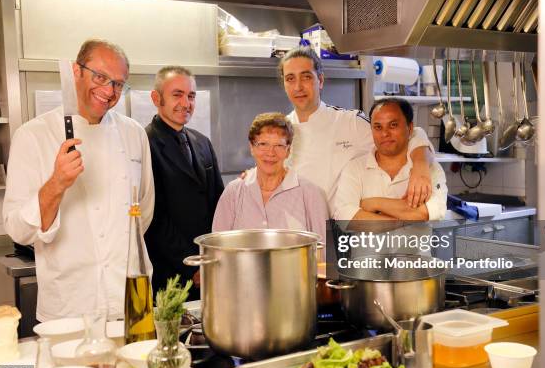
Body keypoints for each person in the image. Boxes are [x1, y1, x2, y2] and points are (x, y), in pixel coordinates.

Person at [3, 39, 154, 321]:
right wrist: (57, 184)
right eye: (100, 77)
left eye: (118, 84)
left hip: (132, 294)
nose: (109, 91)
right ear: (76, 71)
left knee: (139, 365)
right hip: (71, 303)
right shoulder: (33, 135)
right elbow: (18, 229)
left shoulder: (134, 134)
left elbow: (143, 212)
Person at [278, 47, 436, 212]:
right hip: (293, 226)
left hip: (336, 227)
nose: (298, 87)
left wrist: (421, 166)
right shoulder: (280, 129)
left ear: (321, 80)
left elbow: (411, 134)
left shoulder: (350, 122)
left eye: (306, 77)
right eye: (290, 79)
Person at [144, 66, 223, 298]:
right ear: (156, 98)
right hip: (171, 274)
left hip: (211, 268)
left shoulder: (202, 142)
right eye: (177, 94)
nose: (186, 103)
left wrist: (213, 258)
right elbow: (153, 220)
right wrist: (191, 265)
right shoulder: (145, 144)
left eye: (191, 96)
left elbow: (219, 203)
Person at [213, 112, 328, 242]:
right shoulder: (233, 192)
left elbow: (323, 253)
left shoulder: (310, 194)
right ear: (252, 148)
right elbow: (218, 247)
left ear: (288, 151)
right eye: (263, 144)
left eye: (279, 145)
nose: (270, 153)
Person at [333, 98, 447, 223]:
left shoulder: (429, 168)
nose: (385, 133)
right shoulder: (355, 168)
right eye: (378, 127)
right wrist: (404, 221)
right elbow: (345, 217)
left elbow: (428, 213)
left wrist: (374, 203)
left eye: (393, 125)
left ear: (409, 128)